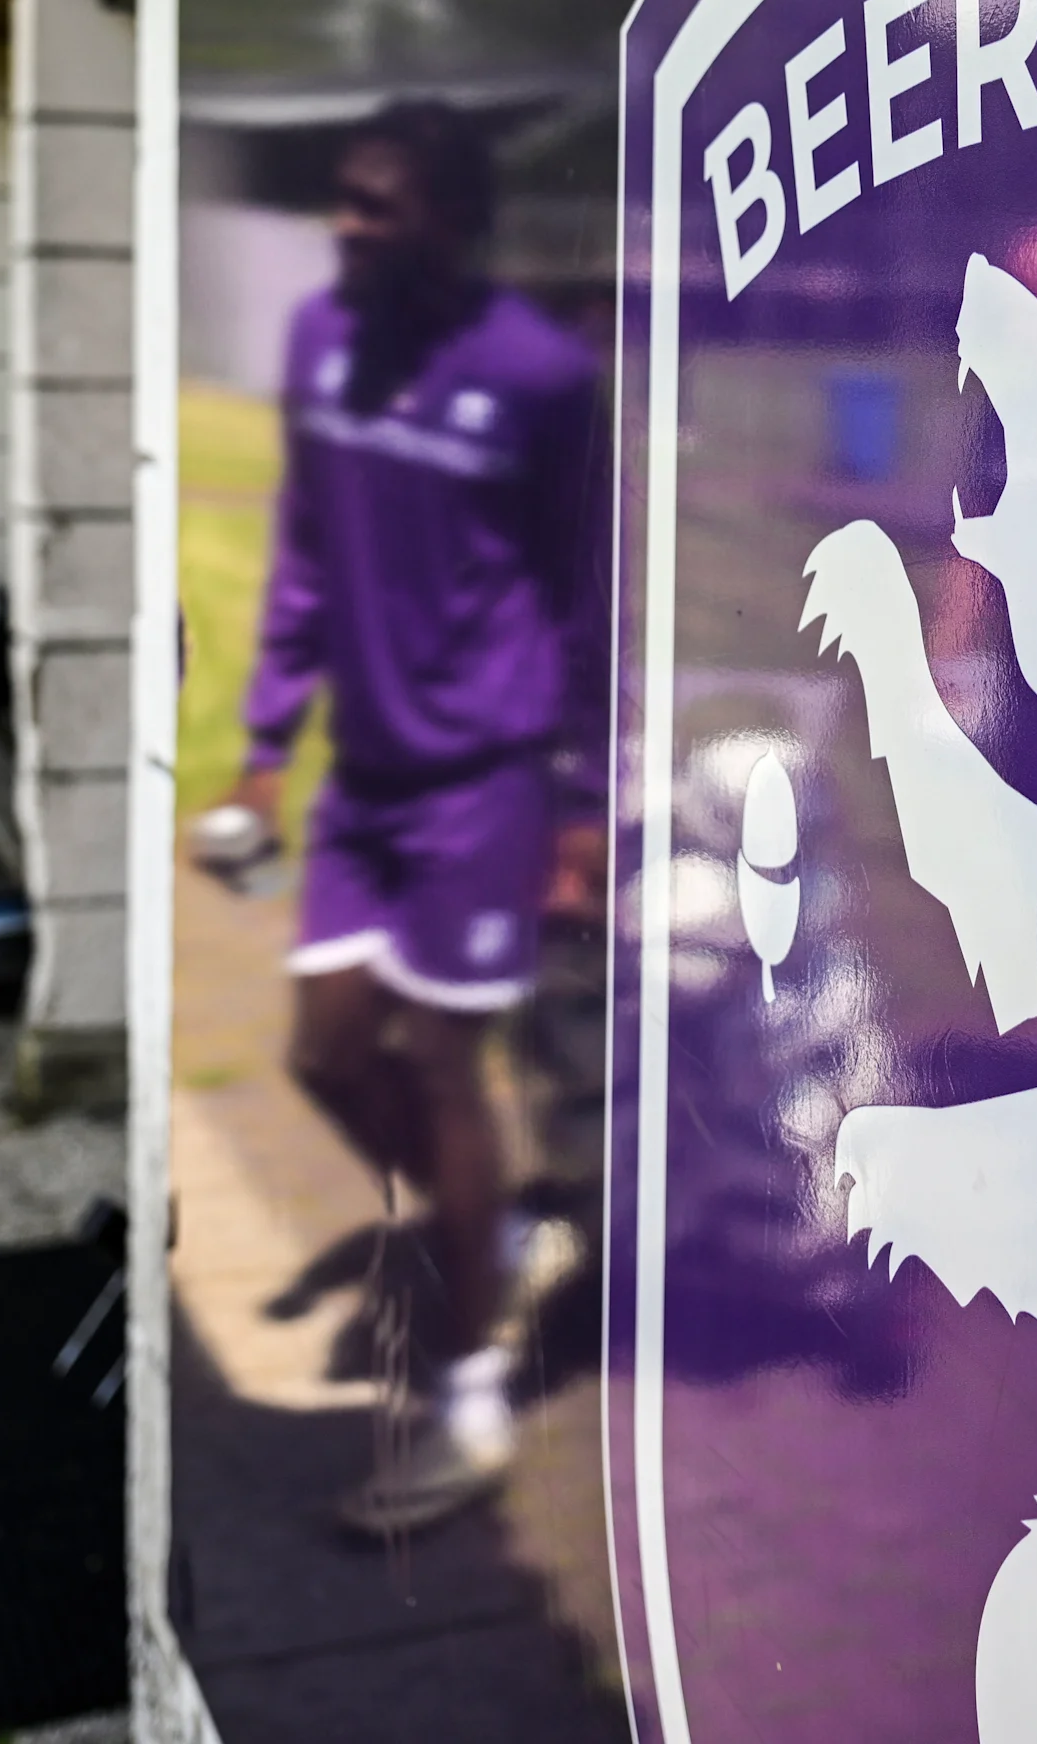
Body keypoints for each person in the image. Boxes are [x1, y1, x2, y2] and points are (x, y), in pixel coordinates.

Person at [217, 100, 608, 1533]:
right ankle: (481, 1224)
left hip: (484, 783)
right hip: (365, 791)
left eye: (379, 205)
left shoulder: (540, 377)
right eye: (343, 199)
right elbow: (307, 550)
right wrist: (264, 745)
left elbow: (583, 603)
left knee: (444, 1068)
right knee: (325, 1052)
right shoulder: (325, 341)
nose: (347, 225)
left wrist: (572, 805)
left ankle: (471, 1396)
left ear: (450, 220)